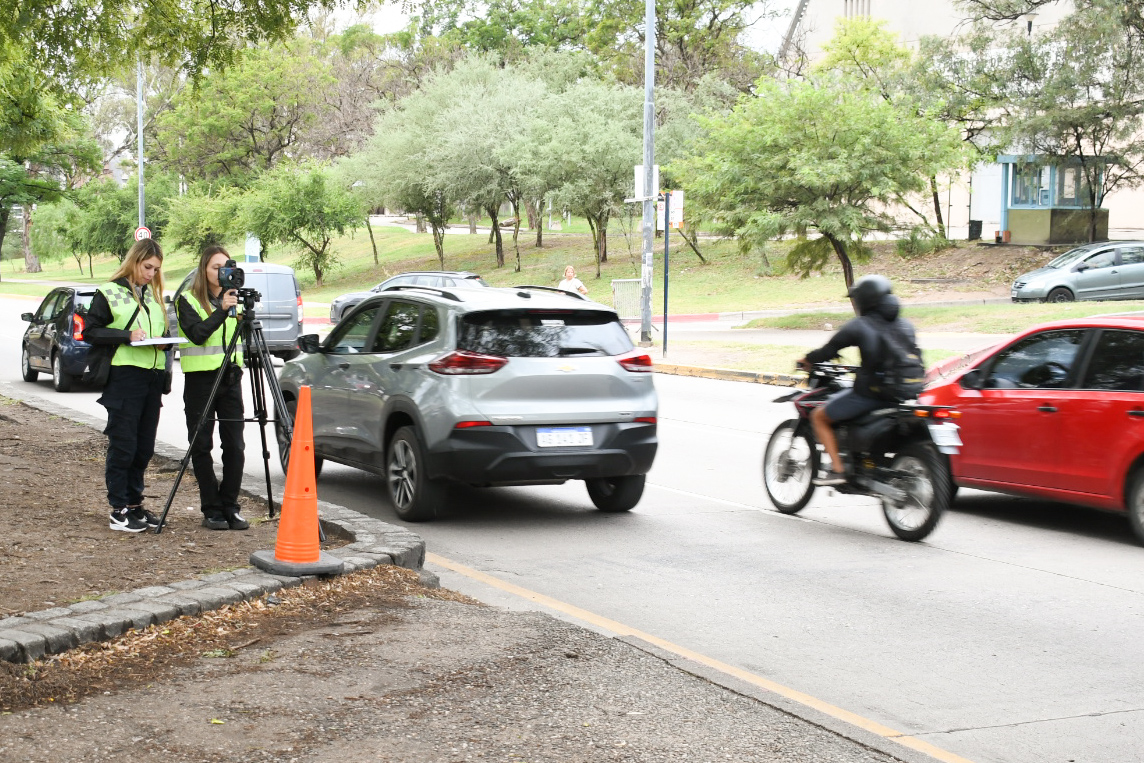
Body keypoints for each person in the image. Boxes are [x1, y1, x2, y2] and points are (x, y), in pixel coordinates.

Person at [797, 274, 921, 487]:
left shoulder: (860, 325)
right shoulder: (906, 325)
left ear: (865, 300)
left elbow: (829, 350)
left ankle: (837, 469)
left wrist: (807, 360)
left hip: (872, 394)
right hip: (905, 394)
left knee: (819, 416)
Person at [84, 239, 172, 532]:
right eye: (147, 267)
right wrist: (126, 335)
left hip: (152, 377)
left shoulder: (154, 296)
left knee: (144, 448)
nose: (151, 273)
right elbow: (91, 331)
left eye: (156, 269)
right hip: (124, 378)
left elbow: (161, 332)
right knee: (124, 445)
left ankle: (135, 505)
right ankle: (118, 509)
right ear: (134, 261)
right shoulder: (110, 292)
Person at [176, 245, 249, 531]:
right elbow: (197, 335)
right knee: (201, 444)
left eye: (226, 266)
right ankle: (212, 508)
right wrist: (221, 309)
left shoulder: (235, 300)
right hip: (201, 381)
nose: (221, 273)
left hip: (230, 378)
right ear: (203, 270)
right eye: (215, 267)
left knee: (235, 444)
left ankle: (231, 505)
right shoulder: (188, 300)